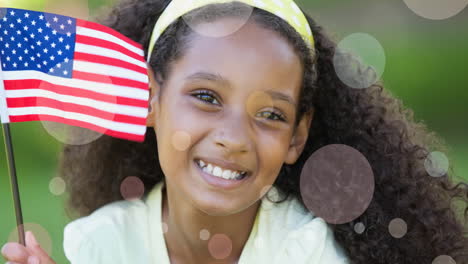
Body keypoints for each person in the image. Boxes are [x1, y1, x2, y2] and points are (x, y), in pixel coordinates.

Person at [2, 0, 467, 263]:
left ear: (297, 139)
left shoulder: (307, 252)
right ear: (149, 100)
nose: (234, 137)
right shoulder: (101, 244)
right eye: (205, 97)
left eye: (270, 115)